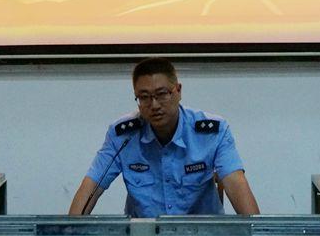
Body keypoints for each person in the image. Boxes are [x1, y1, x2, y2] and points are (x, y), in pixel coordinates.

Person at [68, 57, 260, 217]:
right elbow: (91, 187)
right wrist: (70, 232)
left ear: (178, 91)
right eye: (144, 97)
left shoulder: (212, 132)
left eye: (162, 94)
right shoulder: (122, 135)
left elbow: (237, 186)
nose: (154, 105)